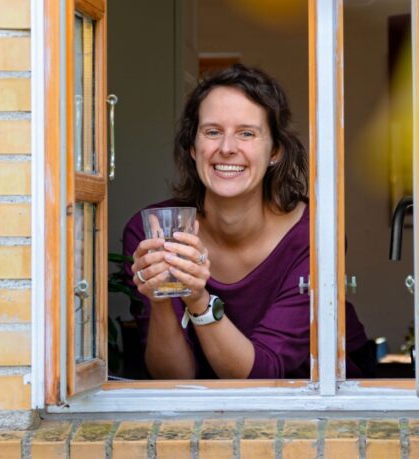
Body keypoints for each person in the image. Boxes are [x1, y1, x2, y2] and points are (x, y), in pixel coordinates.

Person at [122, 64, 373, 379]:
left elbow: (265, 375)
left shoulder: (312, 235)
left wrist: (198, 299)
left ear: (275, 151)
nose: (227, 148)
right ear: (192, 147)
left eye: (247, 133)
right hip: (206, 413)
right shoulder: (155, 231)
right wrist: (159, 296)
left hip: (329, 404)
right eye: (212, 131)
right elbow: (173, 380)